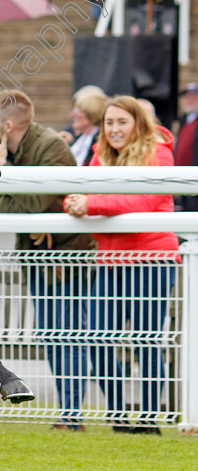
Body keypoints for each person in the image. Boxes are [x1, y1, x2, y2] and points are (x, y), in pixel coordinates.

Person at [64, 95, 180, 435]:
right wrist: (77, 202)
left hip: (151, 259)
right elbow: (84, 192)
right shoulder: (101, 155)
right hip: (110, 260)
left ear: (138, 123)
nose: (114, 129)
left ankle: (148, 419)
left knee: (146, 341)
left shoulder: (159, 152)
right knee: (98, 339)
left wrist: (90, 204)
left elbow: (141, 200)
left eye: (122, 122)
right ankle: (118, 416)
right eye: (109, 122)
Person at [0, 90, 95, 431]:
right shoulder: (16, 147)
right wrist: (30, 215)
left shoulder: (51, 148)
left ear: (9, 125)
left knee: (68, 335)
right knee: (51, 334)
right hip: (38, 256)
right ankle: (70, 413)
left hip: (66, 258)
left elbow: (29, 202)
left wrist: (4, 170)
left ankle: (73, 415)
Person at [175, 82, 198, 210]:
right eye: (186, 96)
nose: (189, 100)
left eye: (194, 96)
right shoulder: (184, 121)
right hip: (182, 179)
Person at [68, 92, 106, 167]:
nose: (73, 115)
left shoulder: (100, 140)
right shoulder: (79, 138)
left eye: (79, 111)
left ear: (93, 113)